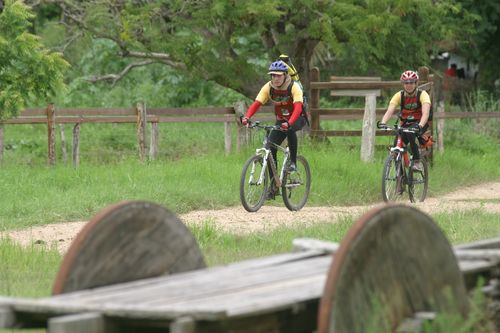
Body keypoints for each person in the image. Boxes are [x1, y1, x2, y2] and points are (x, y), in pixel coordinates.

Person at [241, 60, 307, 199]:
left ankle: (293, 162)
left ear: (284, 75)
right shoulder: (268, 87)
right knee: (269, 148)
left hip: (297, 117)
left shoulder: (294, 87)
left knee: (290, 130)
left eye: (278, 75)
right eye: (272, 75)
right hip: (281, 119)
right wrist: (247, 117)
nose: (275, 78)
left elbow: (298, 107)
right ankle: (273, 186)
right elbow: (257, 103)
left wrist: (289, 123)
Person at [379, 70, 431, 172]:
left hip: (420, 122)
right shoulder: (399, 95)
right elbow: (390, 111)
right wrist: (383, 122)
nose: (409, 85)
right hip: (405, 123)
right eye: (406, 83)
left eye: (411, 82)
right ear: (403, 84)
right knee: (396, 145)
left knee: (411, 134)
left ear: (416, 83)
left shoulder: (422, 94)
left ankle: (416, 161)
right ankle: (400, 179)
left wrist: (420, 125)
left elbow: (425, 113)